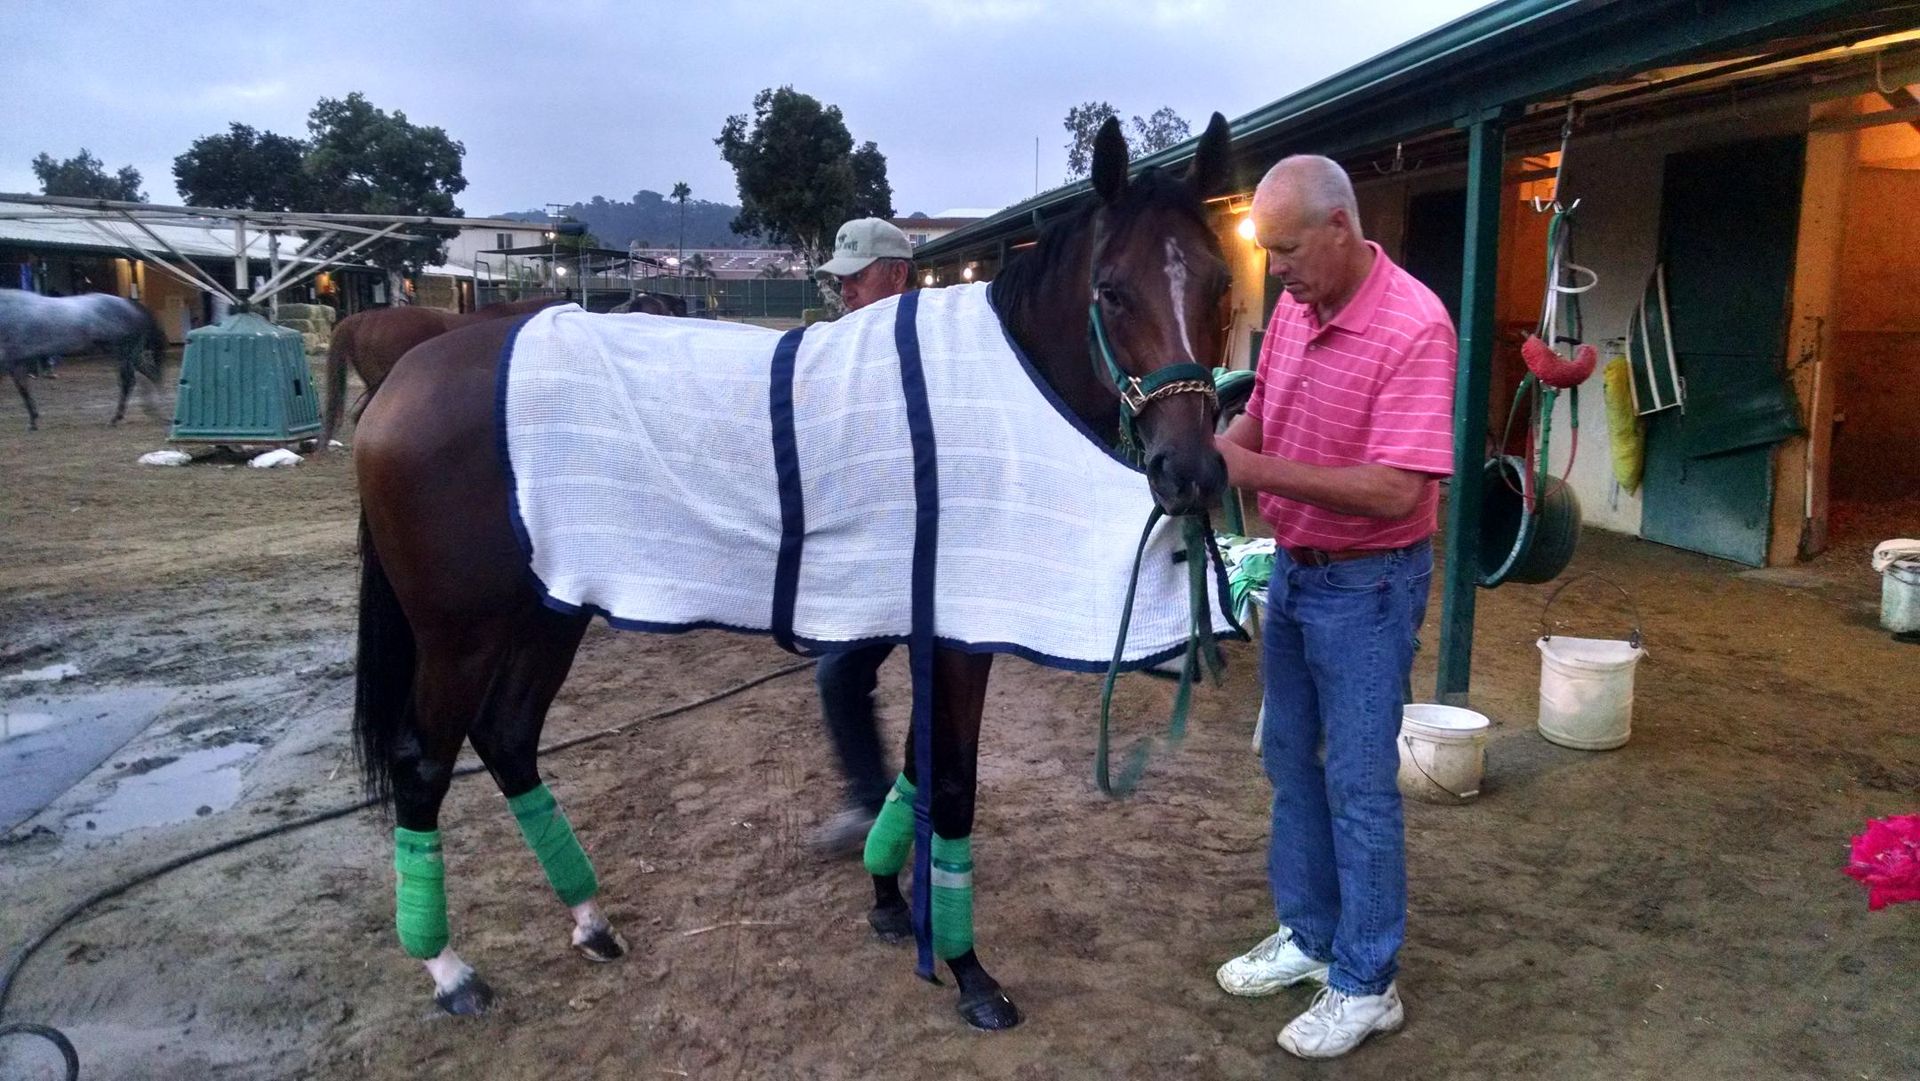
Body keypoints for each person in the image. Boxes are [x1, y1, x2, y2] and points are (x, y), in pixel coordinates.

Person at [1212, 156, 1458, 1059]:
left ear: (1340, 228)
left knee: (1358, 782)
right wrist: (1215, 451)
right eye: (1267, 252)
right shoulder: (1294, 307)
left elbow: (1398, 491)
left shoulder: (1415, 326)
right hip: (1297, 570)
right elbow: (1263, 415)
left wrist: (1255, 471)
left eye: (1285, 250)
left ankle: (1366, 980)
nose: (1275, 269)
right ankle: (1311, 934)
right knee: (1290, 759)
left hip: (1371, 583)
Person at [806, 216, 916, 855]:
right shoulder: (844, 351)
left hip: (935, 556)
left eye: (856, 277)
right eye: (839, 280)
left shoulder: (935, 346)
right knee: (838, 674)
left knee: (942, 686)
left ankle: (930, 810)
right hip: (879, 554)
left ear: (897, 275)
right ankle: (871, 801)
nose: (844, 291)